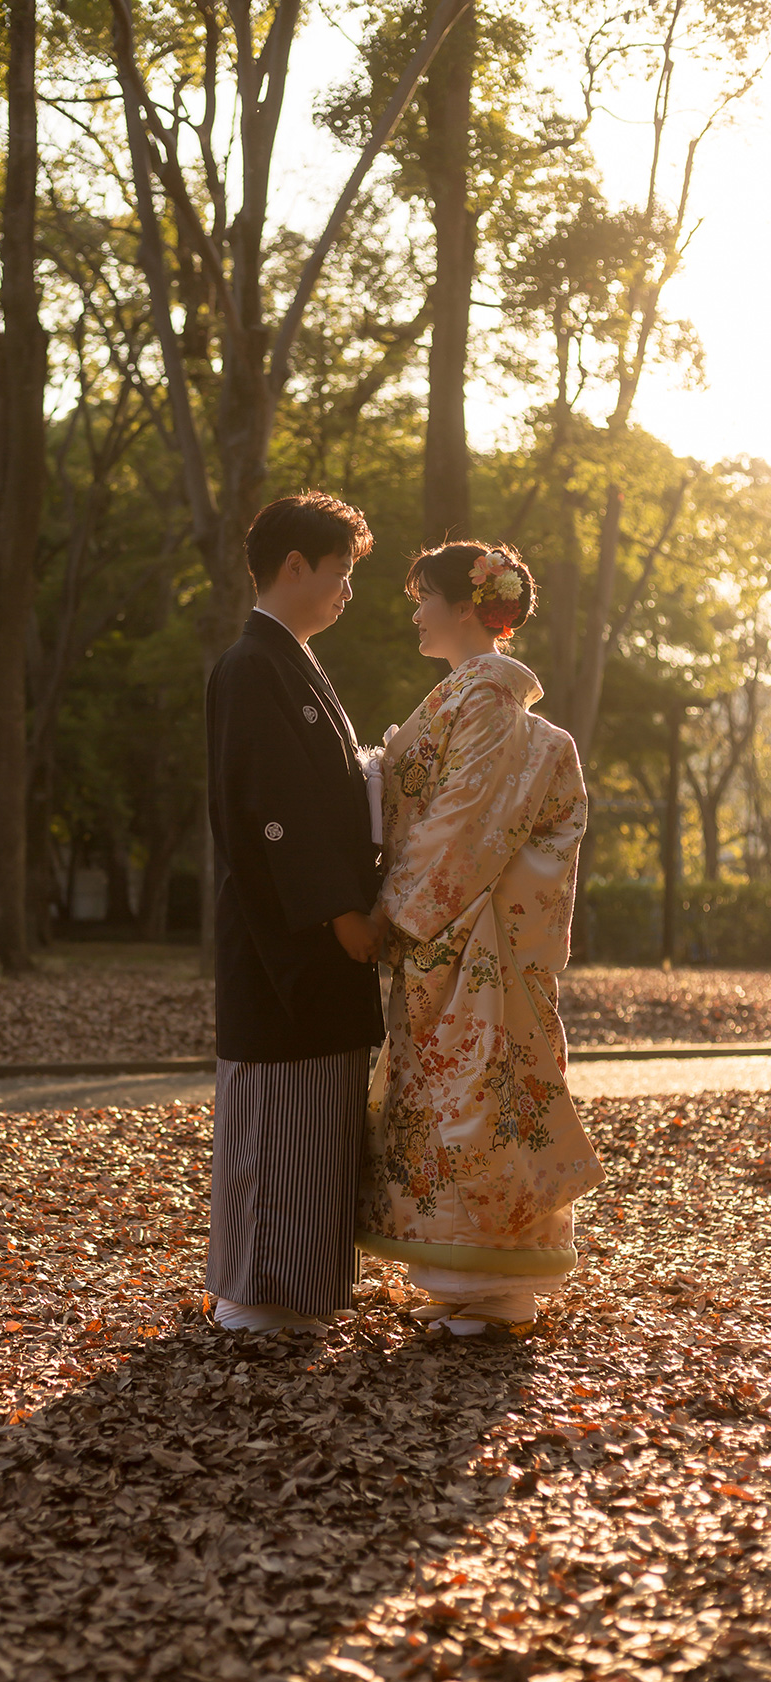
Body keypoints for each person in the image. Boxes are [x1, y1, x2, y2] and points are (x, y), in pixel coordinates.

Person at [356, 541, 603, 1339]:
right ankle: (470, 1286)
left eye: (422, 595)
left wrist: (394, 912)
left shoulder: (489, 699)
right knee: (455, 1099)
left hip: (468, 940)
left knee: (477, 1099)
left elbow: (466, 824)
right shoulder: (468, 695)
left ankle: (491, 1289)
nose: (414, 610)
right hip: (455, 937)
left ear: (467, 604)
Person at [205, 491, 385, 1334]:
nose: (347, 591)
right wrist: (341, 913)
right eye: (339, 573)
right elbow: (274, 811)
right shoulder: (252, 666)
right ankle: (258, 1293)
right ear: (293, 567)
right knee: (278, 1114)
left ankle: (296, 1290)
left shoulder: (294, 663)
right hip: (288, 936)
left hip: (315, 932)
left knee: (315, 1114)